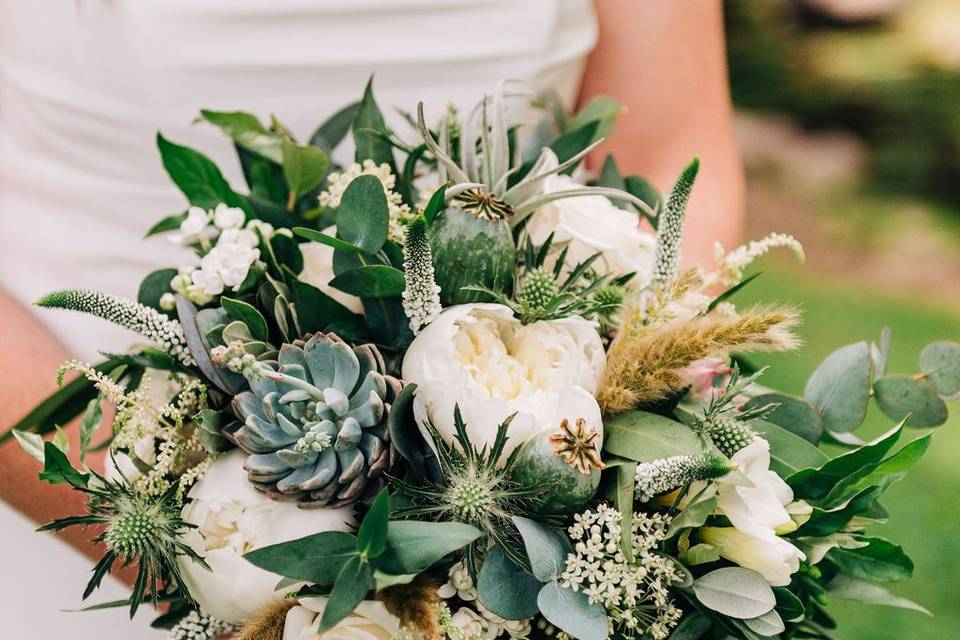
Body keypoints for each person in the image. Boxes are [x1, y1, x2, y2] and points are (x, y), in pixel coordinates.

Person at [0, 1, 742, 637]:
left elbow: (670, 139)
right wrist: (220, 566)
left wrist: (609, 466)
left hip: (522, 506)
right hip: (82, 451)